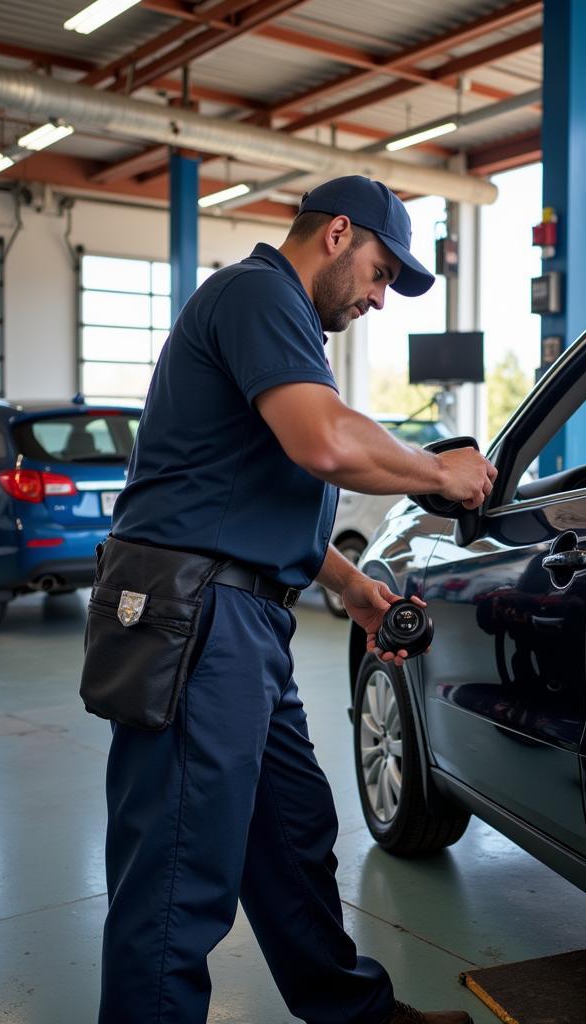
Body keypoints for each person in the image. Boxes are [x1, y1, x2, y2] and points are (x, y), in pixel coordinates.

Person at [97, 175, 497, 1024]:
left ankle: (356, 1016)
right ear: (338, 235)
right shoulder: (257, 295)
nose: (380, 299)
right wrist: (438, 472)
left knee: (290, 838)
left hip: (240, 618)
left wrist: (353, 588)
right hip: (197, 620)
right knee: (176, 881)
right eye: (382, 273)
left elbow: (249, 490)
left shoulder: (280, 322)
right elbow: (323, 443)